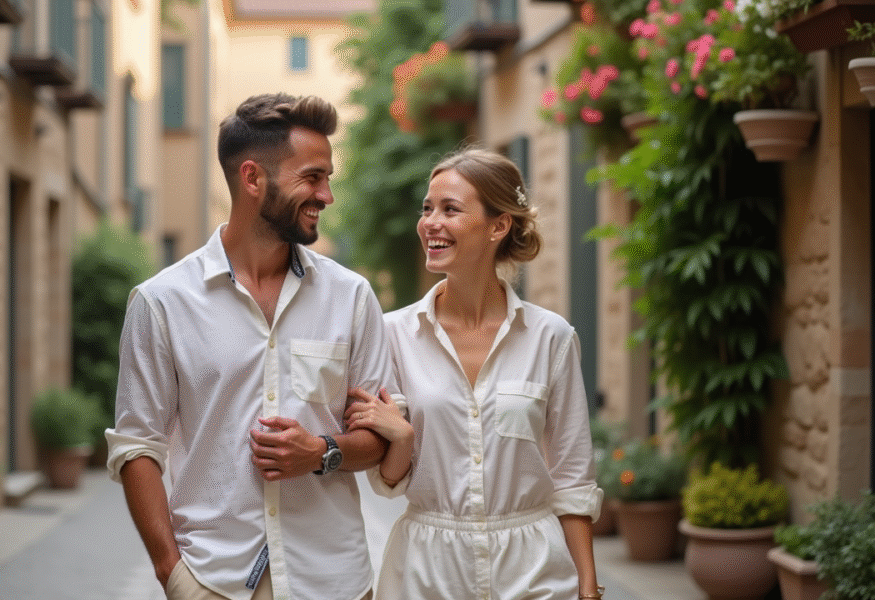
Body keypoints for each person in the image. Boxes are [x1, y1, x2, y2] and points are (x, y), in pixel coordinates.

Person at [106, 93, 396, 600]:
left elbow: (381, 439)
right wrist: (172, 573)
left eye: (327, 178)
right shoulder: (162, 303)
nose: (326, 195)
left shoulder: (351, 298)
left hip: (331, 581)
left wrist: (320, 452)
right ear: (253, 178)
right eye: (313, 177)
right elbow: (137, 446)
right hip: (213, 579)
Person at [345, 148, 604, 600]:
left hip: (534, 571)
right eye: (427, 209)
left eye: (450, 209)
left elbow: (573, 479)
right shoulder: (393, 335)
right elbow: (387, 483)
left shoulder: (551, 337)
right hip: (428, 571)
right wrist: (403, 440)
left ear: (498, 226)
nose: (431, 223)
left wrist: (587, 589)